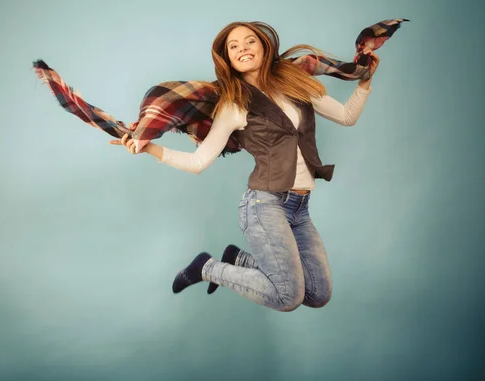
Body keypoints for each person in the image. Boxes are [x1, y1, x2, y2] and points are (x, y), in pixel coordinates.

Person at [111, 21, 379, 312]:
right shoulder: (234, 104)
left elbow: (347, 116)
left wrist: (364, 82)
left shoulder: (296, 85)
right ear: (227, 59)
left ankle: (237, 259)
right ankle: (207, 267)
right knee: (288, 297)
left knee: (318, 293)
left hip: (300, 207)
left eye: (249, 41)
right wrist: (149, 147)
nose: (243, 49)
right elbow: (198, 162)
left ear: (264, 46)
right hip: (265, 205)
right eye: (234, 47)